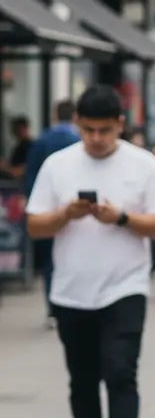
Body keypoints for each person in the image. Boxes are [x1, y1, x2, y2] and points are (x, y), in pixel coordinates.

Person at [25, 86, 155, 418]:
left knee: (121, 373)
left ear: (120, 125)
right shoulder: (58, 165)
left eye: (104, 130)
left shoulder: (144, 164)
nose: (95, 138)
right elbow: (35, 226)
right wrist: (65, 214)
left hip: (125, 288)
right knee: (83, 380)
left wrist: (121, 217)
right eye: (88, 130)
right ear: (77, 123)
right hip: (71, 292)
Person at [24, 100, 79, 327]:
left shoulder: (42, 141)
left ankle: (53, 309)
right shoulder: (78, 141)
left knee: (49, 260)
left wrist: (32, 205)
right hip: (78, 211)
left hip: (47, 210)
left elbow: (30, 176)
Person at [0, 115, 32, 181]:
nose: (15, 131)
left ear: (25, 128)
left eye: (18, 128)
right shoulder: (19, 146)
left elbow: (22, 170)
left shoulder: (30, 146)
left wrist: (5, 168)